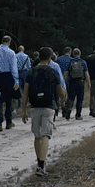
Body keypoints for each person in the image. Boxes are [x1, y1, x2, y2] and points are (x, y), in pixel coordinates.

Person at [21, 47, 66, 177]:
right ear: (50, 58)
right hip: (49, 106)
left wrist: (24, 110)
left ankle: (38, 161)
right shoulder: (53, 72)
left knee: (37, 135)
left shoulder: (31, 72)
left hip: (34, 106)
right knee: (46, 135)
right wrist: (62, 102)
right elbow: (60, 91)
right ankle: (41, 164)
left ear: (39, 57)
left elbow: (25, 93)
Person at [63, 48, 91, 120]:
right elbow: (86, 73)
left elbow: (66, 73)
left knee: (71, 98)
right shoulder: (83, 62)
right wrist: (89, 83)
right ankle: (78, 115)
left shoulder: (70, 62)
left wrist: (65, 81)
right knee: (80, 99)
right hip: (80, 82)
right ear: (80, 54)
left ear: (73, 54)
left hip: (72, 82)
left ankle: (68, 111)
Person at [15, 45, 32, 111]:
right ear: (23, 49)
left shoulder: (15, 56)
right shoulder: (26, 56)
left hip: (18, 72)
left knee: (18, 87)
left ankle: (19, 102)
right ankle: (25, 102)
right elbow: (29, 66)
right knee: (25, 87)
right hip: (25, 72)